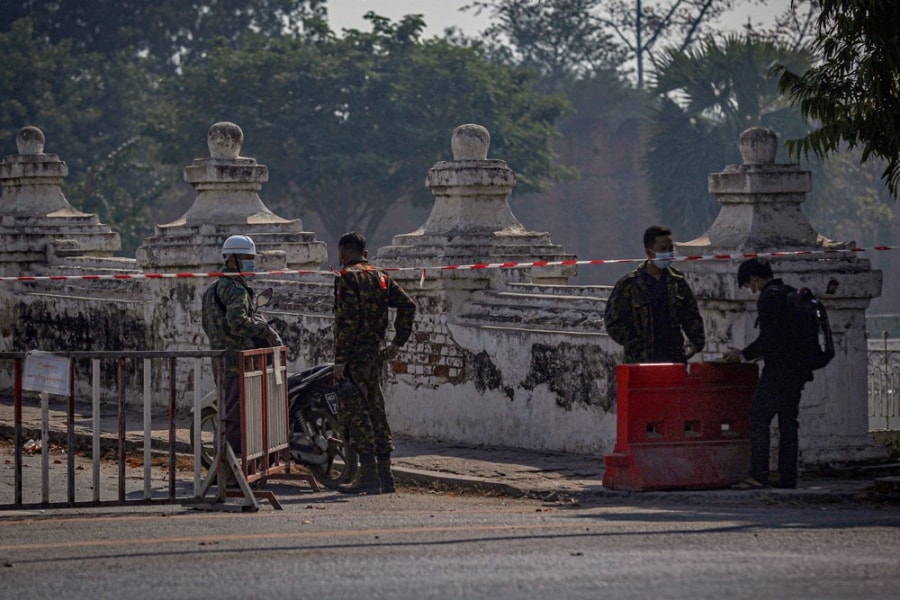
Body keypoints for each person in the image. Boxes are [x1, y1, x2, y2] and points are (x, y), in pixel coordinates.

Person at [333, 231, 416, 495]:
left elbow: (348, 323)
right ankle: (386, 476)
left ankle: (368, 476)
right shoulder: (380, 276)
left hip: (355, 356)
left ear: (343, 254)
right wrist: (396, 342)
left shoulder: (347, 277)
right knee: (376, 411)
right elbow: (408, 305)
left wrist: (339, 361)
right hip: (375, 353)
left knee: (357, 415)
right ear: (365, 253)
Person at [724, 258, 810, 490]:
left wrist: (742, 355)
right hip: (797, 370)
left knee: (759, 418)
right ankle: (788, 476)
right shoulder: (789, 293)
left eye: (747, 284)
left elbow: (768, 338)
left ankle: (758, 475)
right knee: (788, 423)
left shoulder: (769, 297)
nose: (749, 289)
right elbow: (784, 336)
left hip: (778, 371)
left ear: (753, 279)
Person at [201, 234, 280, 458]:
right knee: (237, 418)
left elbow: (207, 325)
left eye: (251, 258)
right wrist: (265, 331)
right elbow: (237, 322)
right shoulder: (236, 289)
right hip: (237, 363)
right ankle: (233, 471)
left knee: (228, 413)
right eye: (246, 258)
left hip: (220, 360)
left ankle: (227, 466)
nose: (250, 263)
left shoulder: (212, 290)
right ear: (230, 259)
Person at [604, 225, 705, 364]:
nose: (668, 253)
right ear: (649, 252)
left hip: (674, 359)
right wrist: (635, 343)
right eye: (663, 249)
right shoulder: (629, 285)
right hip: (640, 362)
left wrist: (696, 343)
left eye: (671, 249)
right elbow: (613, 321)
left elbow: (691, 315)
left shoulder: (678, 282)